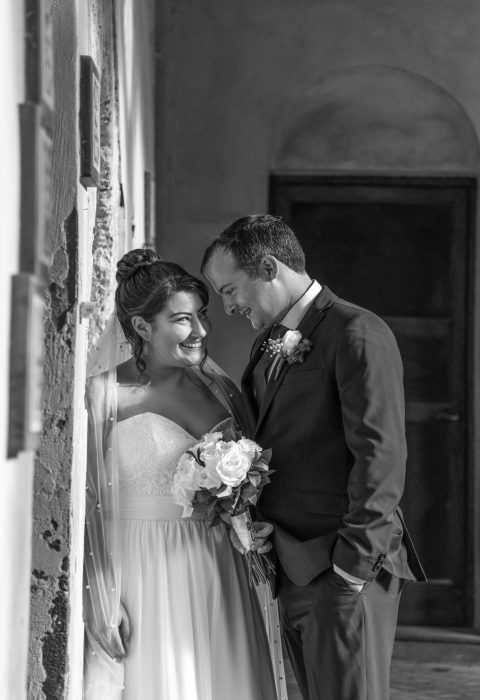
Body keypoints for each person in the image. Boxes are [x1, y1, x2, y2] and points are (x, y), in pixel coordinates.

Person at [201, 215, 427, 700]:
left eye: (229, 290)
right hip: (293, 567)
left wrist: (351, 570)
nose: (228, 306)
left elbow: (381, 456)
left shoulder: (357, 331)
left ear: (268, 267)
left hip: (343, 571)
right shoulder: (267, 343)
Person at [83, 249, 282, 700]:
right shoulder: (105, 395)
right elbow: (90, 501)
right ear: (141, 326)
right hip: (142, 566)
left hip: (217, 565)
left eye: (201, 315)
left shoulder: (222, 392)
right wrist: (101, 598)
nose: (201, 331)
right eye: (182, 320)